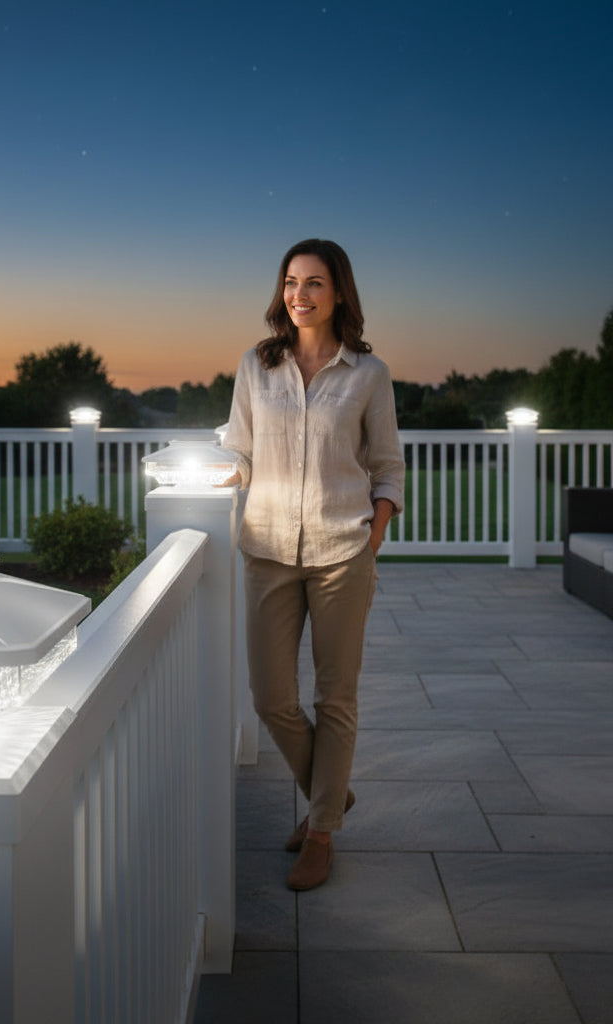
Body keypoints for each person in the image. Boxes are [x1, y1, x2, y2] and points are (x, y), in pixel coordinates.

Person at [220, 238, 405, 890]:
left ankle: (320, 831)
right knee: (271, 698)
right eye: (292, 282)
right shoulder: (256, 366)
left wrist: (371, 537)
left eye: (315, 283)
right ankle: (331, 795)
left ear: (338, 293)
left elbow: (386, 466)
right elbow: (239, 450)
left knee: (336, 698)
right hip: (267, 548)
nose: (300, 294)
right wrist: (219, 474)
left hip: (341, 552)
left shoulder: (368, 373)